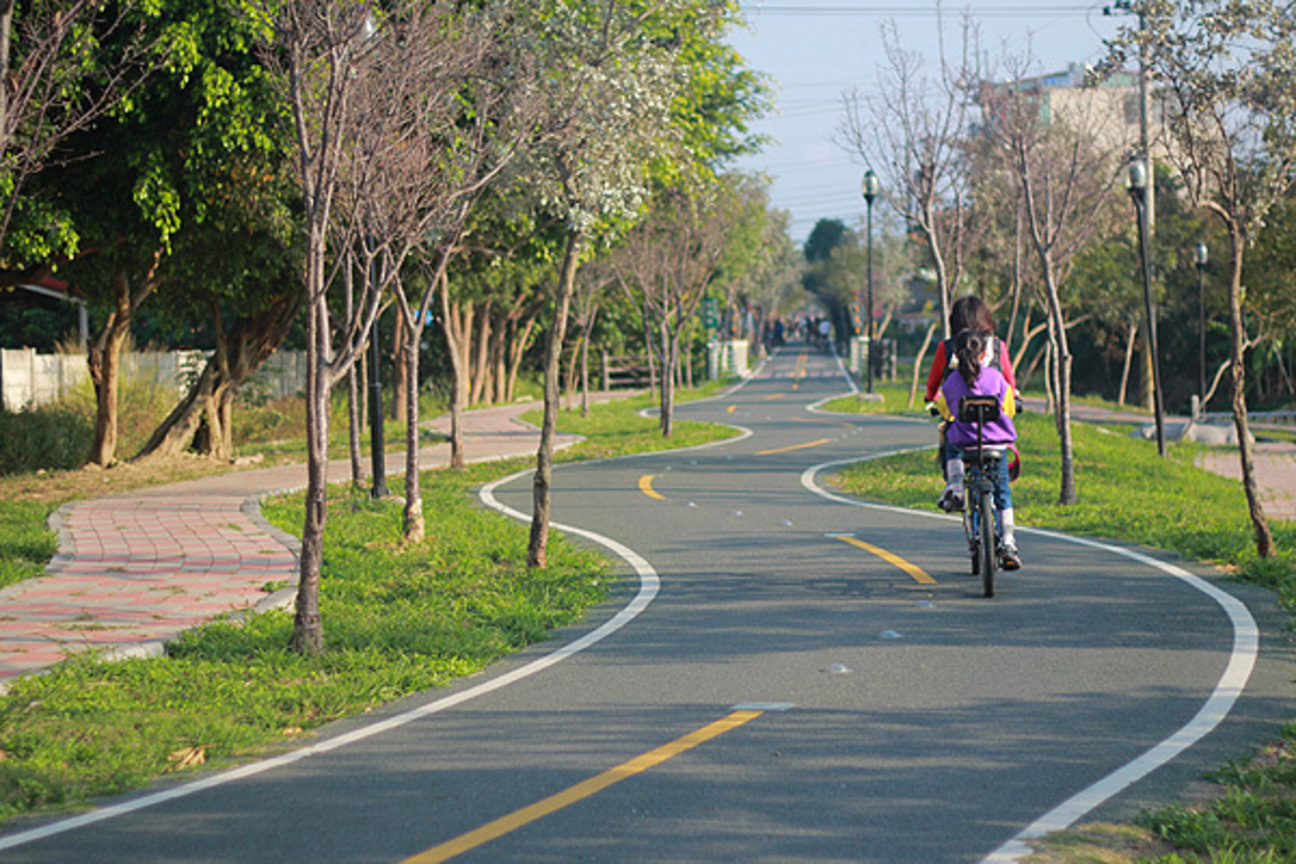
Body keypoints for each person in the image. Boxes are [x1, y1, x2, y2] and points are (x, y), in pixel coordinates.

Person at [935, 330, 1022, 570]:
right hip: (995, 446)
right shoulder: (995, 377)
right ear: (984, 354)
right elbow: (1009, 409)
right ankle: (1008, 543)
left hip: (965, 446)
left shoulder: (952, 382)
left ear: (956, 354)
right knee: (1002, 492)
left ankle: (956, 487)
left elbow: (945, 412)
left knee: (950, 440)